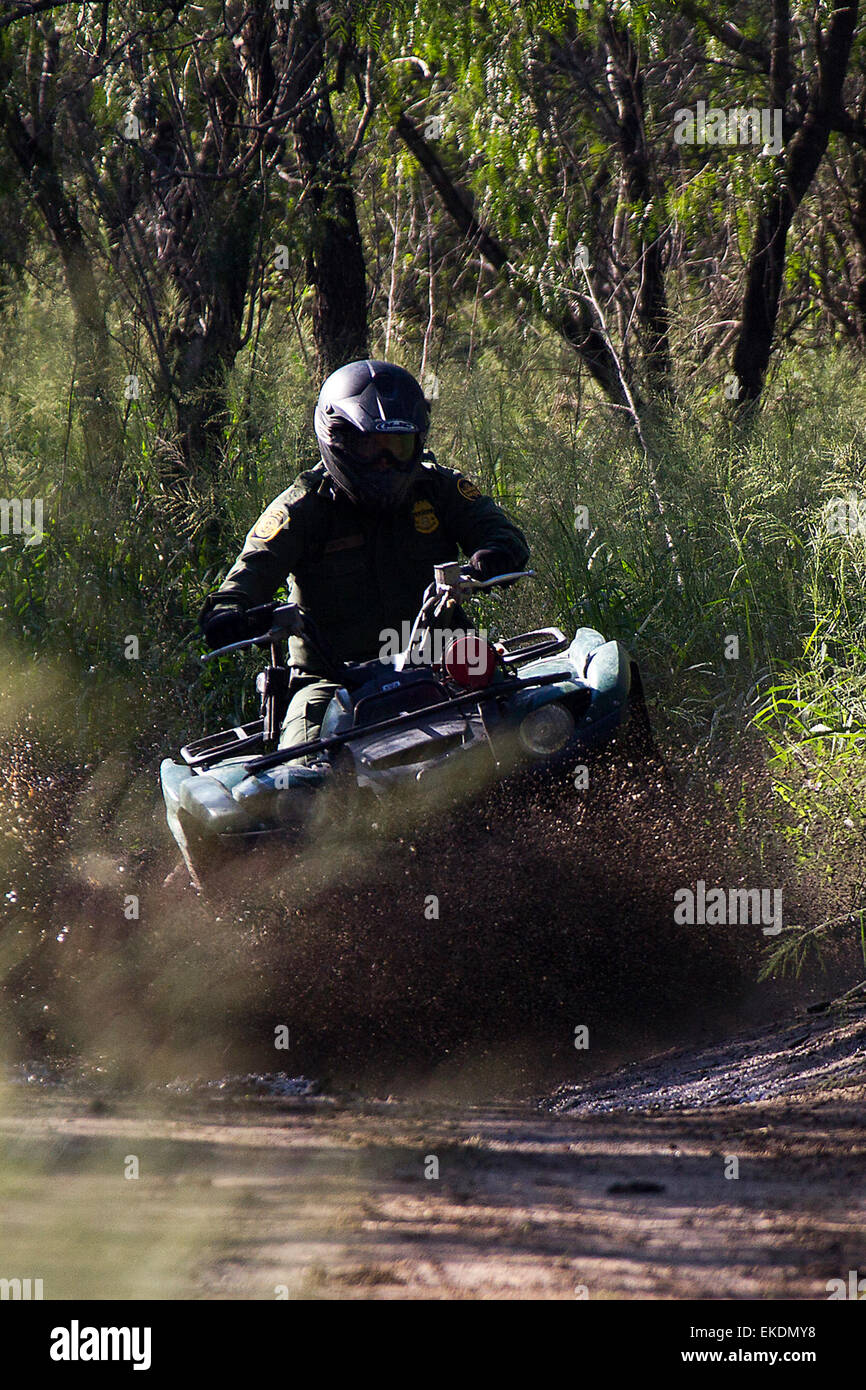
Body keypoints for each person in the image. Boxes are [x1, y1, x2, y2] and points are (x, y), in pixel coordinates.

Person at [199, 359, 529, 753]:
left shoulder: (439, 488)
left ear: (417, 443)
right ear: (338, 439)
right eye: (371, 446)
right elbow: (244, 579)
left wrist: (489, 558)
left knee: (530, 724)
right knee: (301, 777)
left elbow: (502, 534)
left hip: (445, 655)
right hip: (329, 682)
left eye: (398, 447)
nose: (385, 462)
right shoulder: (301, 509)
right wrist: (231, 613)